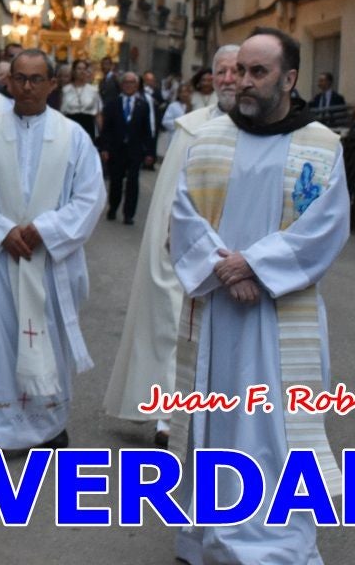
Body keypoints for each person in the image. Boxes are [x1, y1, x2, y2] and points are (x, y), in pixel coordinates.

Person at [168, 29, 349, 564]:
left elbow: (327, 228)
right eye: (239, 70)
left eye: (257, 73)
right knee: (216, 424)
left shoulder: (322, 145)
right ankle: (206, 537)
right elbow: (182, 215)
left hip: (279, 317)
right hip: (220, 315)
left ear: (289, 80)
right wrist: (228, 270)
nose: (241, 82)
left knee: (276, 430)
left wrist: (255, 265)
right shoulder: (209, 139)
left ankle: (276, 544)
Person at [0, 50, 105, 466]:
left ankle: (47, 426)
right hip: (0, 259)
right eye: (21, 78)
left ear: (53, 84)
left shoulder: (74, 137)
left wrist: (42, 232)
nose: (28, 87)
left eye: (38, 79)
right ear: (9, 83)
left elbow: (90, 199)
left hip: (49, 260)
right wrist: (4, 232)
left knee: (46, 339)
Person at [102, 45, 238, 447]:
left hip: (238, 249)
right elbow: (169, 195)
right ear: (212, 78)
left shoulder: (263, 128)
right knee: (172, 326)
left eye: (239, 69)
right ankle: (168, 414)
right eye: (223, 71)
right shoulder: (191, 127)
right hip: (187, 245)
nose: (231, 78)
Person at [98, 71, 155, 224]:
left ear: (137, 85)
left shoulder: (142, 105)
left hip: (134, 150)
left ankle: (129, 214)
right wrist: (104, 148)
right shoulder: (112, 104)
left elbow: (147, 130)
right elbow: (106, 129)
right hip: (116, 150)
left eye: (132, 82)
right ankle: (113, 207)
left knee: (133, 182)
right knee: (116, 181)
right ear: (122, 85)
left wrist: (150, 152)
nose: (129, 85)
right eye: (126, 82)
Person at [60, 59, 102, 143]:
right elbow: (62, 114)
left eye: (84, 69)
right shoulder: (66, 90)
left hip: (87, 125)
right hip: (71, 125)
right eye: (79, 69)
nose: (82, 71)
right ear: (74, 71)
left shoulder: (93, 90)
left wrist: (102, 135)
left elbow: (98, 114)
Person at [157, 82, 194, 159]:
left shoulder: (194, 105)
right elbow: (165, 121)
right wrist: (180, 123)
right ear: (179, 94)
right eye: (182, 92)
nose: (184, 94)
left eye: (186, 92)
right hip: (176, 138)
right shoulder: (173, 106)